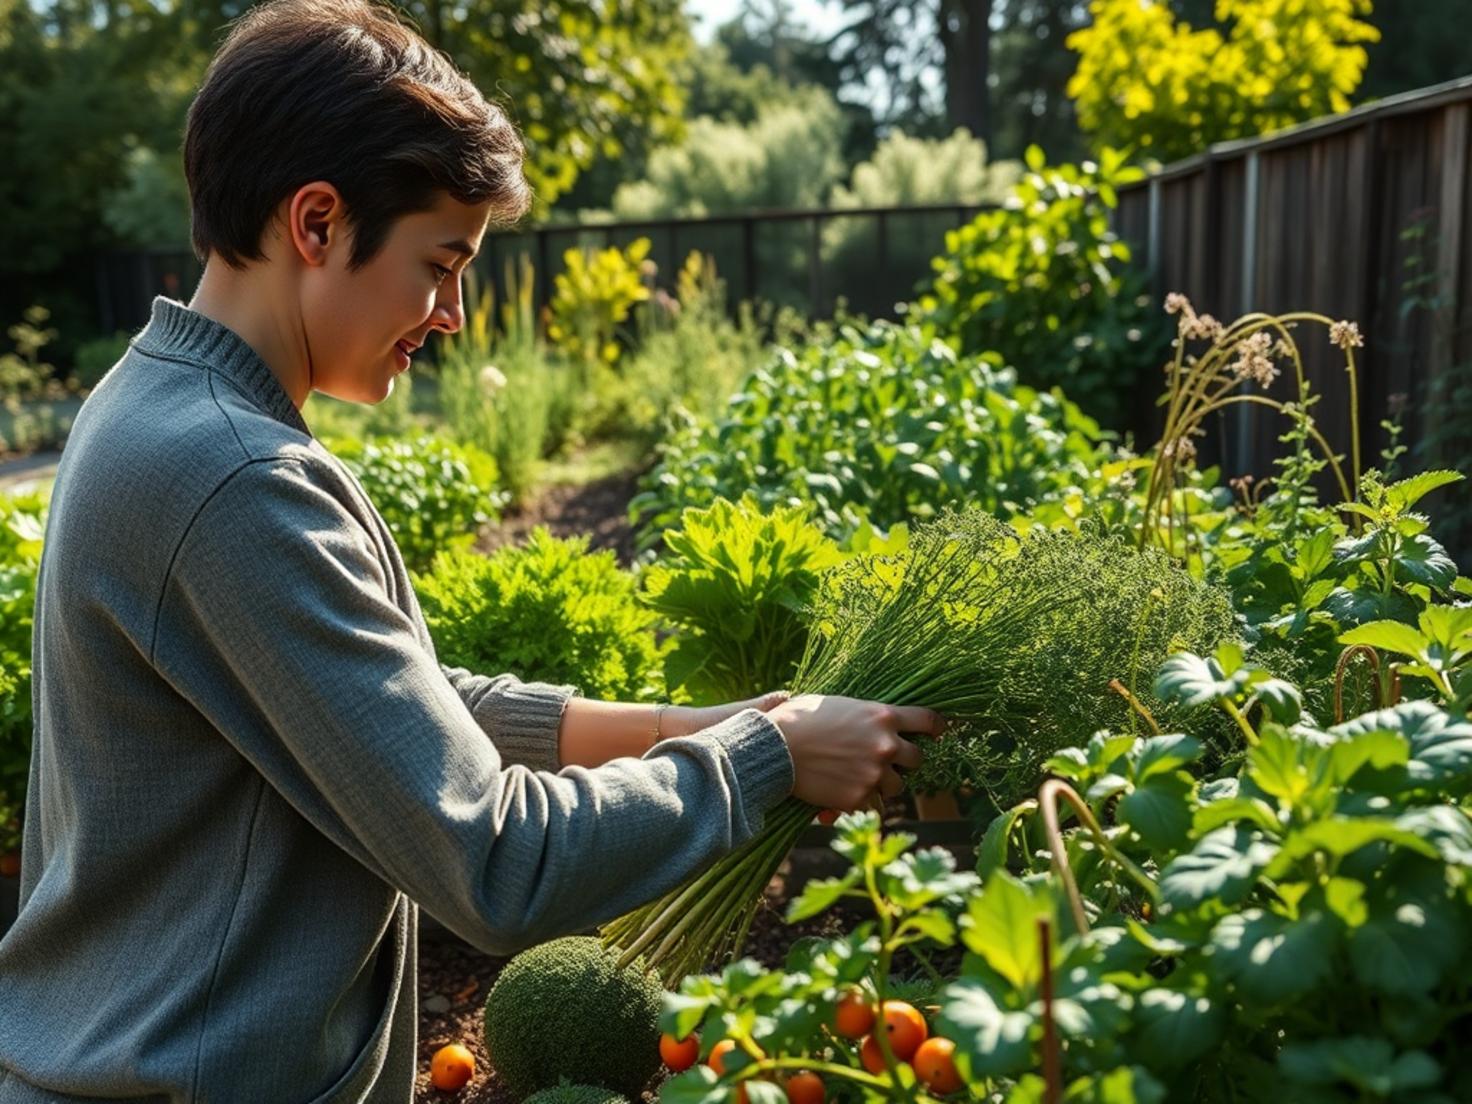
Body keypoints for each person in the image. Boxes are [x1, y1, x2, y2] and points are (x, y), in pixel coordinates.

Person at [0, 1, 945, 1101]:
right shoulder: (234, 476)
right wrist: (762, 762)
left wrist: (696, 728)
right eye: (440, 263)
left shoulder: (152, 403)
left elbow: (382, 712)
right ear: (317, 222)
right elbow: (496, 862)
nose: (451, 312)